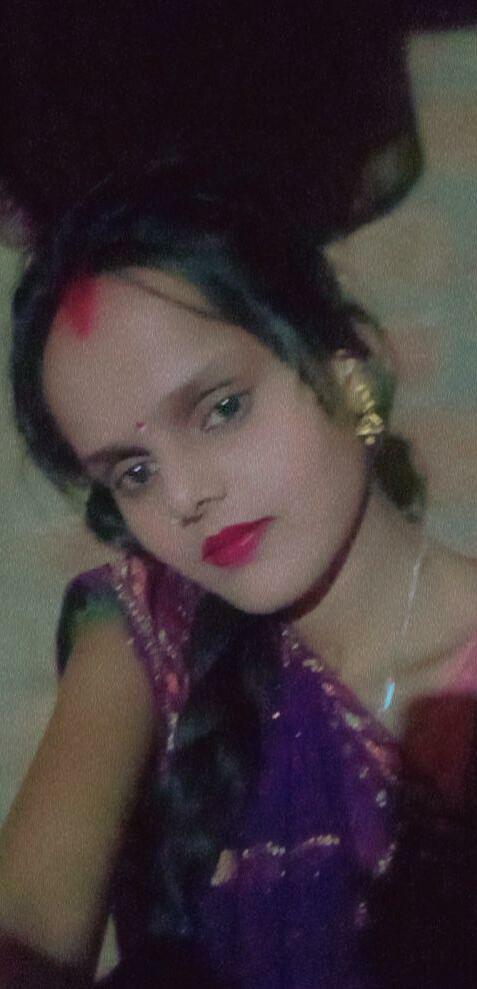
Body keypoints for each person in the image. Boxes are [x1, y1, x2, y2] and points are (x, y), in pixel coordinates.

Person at [2, 168, 477, 987]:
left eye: (221, 408)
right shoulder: (149, 632)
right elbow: (28, 928)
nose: (186, 495)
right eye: (134, 471)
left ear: (350, 370)